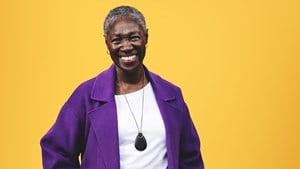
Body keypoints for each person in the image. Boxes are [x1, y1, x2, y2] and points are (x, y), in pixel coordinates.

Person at [40, 5, 204, 169]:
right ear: (107, 43)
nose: (126, 47)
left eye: (134, 37)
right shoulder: (85, 97)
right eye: (117, 40)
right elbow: (56, 151)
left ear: (146, 37)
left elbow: (190, 159)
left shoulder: (171, 94)